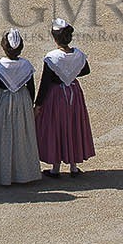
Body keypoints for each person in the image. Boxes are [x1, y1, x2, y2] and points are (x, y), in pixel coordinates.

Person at [35, 19, 95, 178]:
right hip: (74, 93)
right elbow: (86, 70)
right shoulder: (78, 54)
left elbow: (45, 82)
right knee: (73, 125)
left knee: (57, 127)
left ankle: (55, 168)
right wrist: (71, 73)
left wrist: (38, 104)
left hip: (56, 95)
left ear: (54, 38)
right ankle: (74, 167)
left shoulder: (51, 58)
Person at [0, 30, 41, 186]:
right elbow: (31, 87)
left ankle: (5, 174)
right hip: (22, 100)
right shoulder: (25, 65)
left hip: (4, 101)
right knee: (22, 135)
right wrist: (31, 104)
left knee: (4, 135)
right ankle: (25, 173)